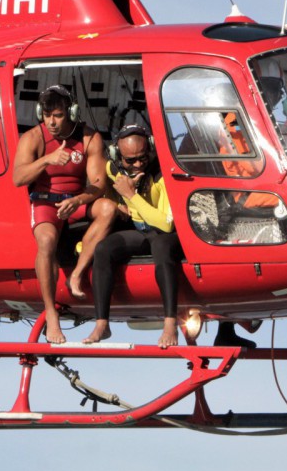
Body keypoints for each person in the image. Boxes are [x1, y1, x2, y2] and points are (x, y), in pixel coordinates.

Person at [12, 85, 116, 344]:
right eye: (47, 115)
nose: (52, 122)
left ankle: (77, 273)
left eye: (58, 115)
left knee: (108, 208)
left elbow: (99, 183)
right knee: (46, 241)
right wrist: (46, 160)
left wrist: (78, 200)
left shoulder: (89, 138)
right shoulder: (33, 138)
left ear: (71, 113)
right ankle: (51, 313)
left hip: (75, 201)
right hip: (45, 203)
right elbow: (18, 178)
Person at [83, 126, 182, 349]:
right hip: (141, 231)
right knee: (103, 249)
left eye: (142, 158)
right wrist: (118, 204)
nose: (137, 164)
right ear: (118, 157)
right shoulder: (113, 169)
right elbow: (106, 187)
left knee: (161, 246)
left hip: (166, 234)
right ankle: (102, 324)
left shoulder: (163, 174)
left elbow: (166, 224)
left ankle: (170, 323)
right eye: (130, 160)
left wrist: (131, 196)